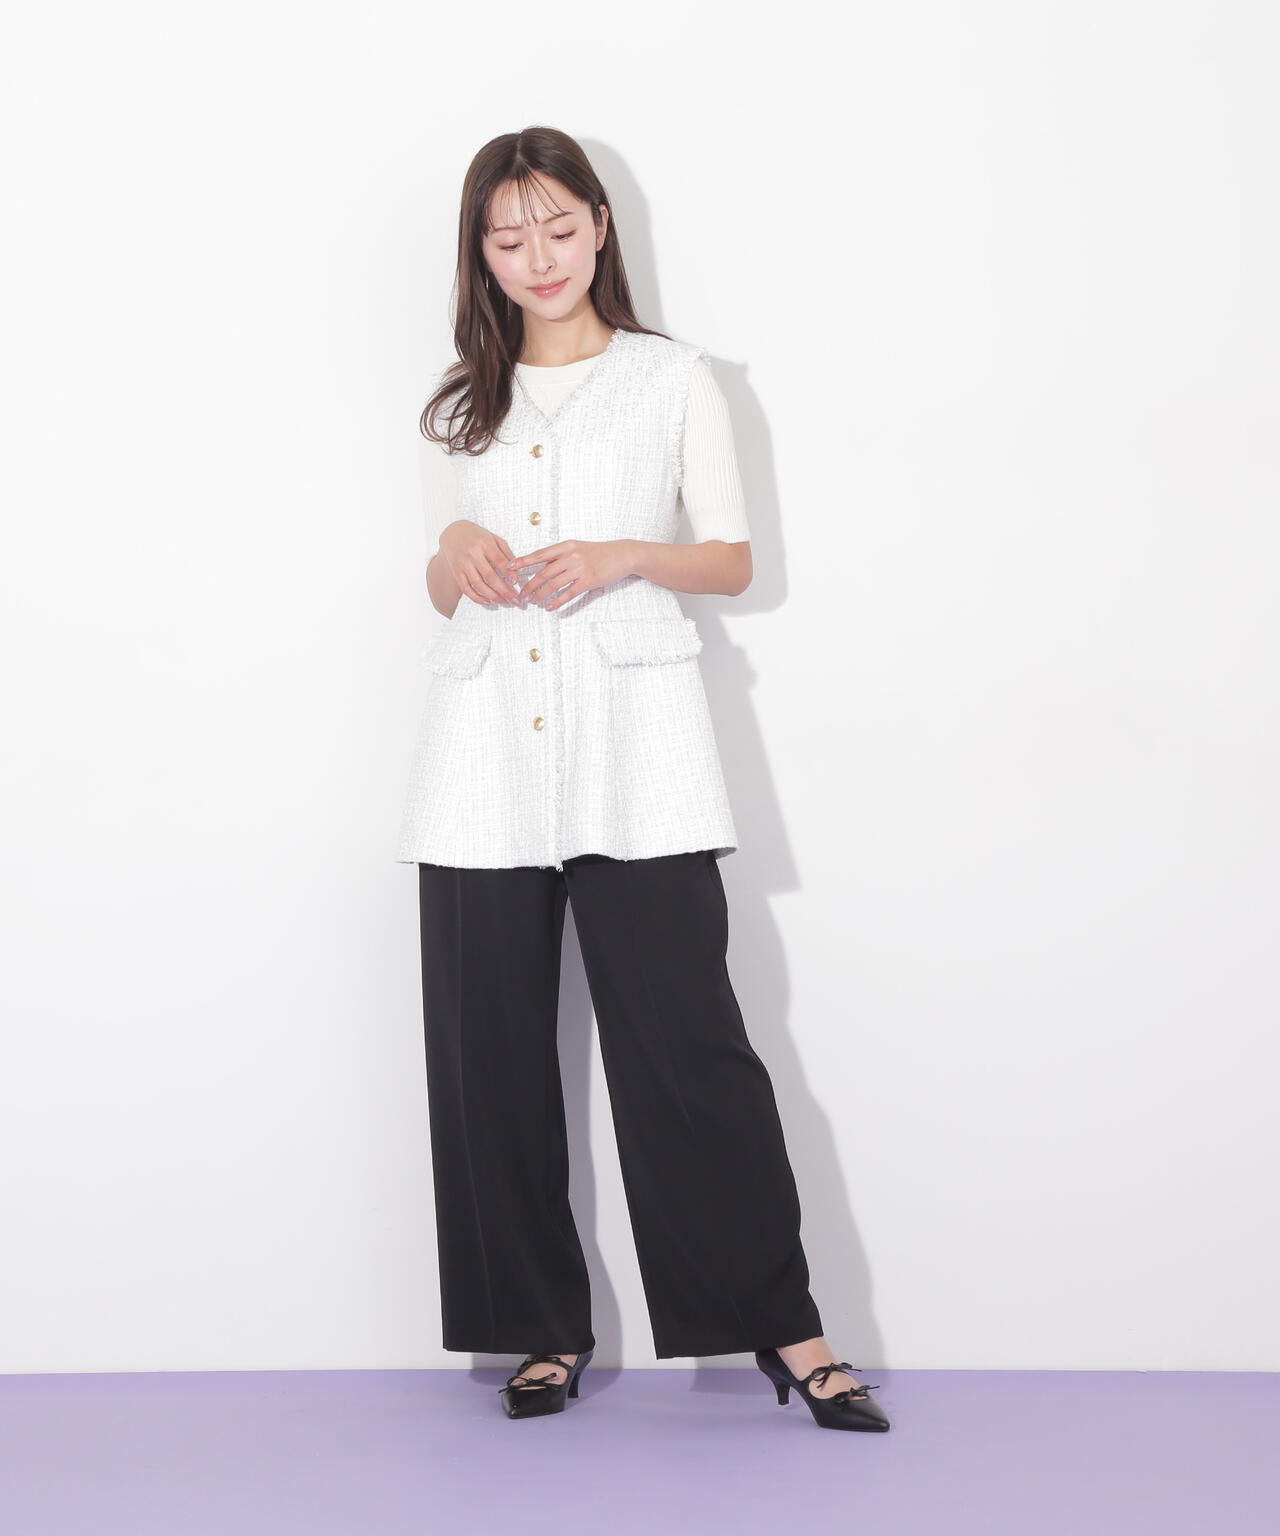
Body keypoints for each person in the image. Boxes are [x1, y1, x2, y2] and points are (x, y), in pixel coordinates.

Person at [394, 125, 890, 1433]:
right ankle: (538, 1329)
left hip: (640, 747)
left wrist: (621, 553)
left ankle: (788, 1330)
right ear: (481, 252)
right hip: (483, 754)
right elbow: (440, 583)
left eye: (559, 228)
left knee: (688, 1048)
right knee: (488, 1058)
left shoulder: (674, 381)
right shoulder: (458, 403)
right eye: (509, 237)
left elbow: (731, 560)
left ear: (601, 226)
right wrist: (454, 545)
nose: (538, 256)